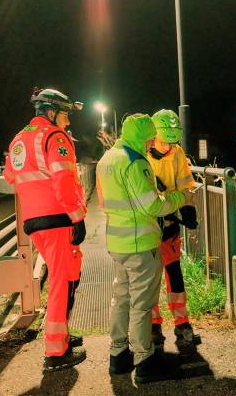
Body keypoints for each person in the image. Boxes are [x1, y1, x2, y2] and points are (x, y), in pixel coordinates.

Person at [96, 114, 188, 383]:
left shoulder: (107, 160)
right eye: (149, 139)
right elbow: (152, 205)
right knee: (142, 305)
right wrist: (180, 198)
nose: (150, 144)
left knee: (120, 299)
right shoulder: (136, 163)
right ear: (140, 137)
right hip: (140, 243)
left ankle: (118, 355)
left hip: (117, 242)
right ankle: (145, 360)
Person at [3, 87, 88, 372]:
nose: (68, 121)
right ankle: (55, 352)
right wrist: (77, 217)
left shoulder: (18, 139)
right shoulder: (54, 136)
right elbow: (64, 180)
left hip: (34, 221)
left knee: (69, 273)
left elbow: (10, 176)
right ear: (51, 112)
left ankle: (61, 335)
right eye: (65, 115)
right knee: (62, 282)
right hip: (58, 218)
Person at [146, 109, 200, 354]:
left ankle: (182, 323)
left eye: (172, 139)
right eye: (164, 139)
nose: (168, 144)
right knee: (150, 279)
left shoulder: (177, 153)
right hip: (148, 227)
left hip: (170, 225)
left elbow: (186, 184)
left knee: (174, 275)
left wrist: (188, 209)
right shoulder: (141, 153)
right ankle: (154, 326)